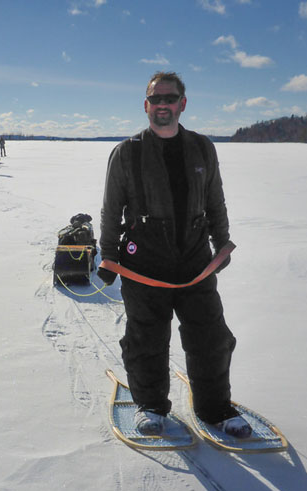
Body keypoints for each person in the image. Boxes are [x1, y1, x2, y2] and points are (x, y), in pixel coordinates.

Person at [97, 71, 251, 438]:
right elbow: (110, 209)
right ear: (145, 105)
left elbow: (215, 199)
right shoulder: (126, 152)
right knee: (146, 338)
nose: (162, 105)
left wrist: (222, 241)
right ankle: (150, 405)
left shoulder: (202, 148)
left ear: (182, 103)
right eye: (155, 99)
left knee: (211, 336)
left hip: (195, 259)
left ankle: (215, 408)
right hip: (144, 262)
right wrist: (108, 257)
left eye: (170, 98)